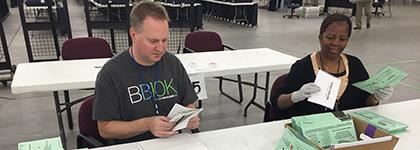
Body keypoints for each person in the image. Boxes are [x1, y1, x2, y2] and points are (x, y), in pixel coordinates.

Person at [93, 1, 200, 144]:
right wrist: (147, 124)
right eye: (153, 41)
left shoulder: (172, 63)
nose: (161, 48)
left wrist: (190, 116)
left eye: (164, 40)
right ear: (134, 34)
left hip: (172, 142)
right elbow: (105, 129)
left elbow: (189, 103)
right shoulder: (111, 73)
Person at [269, 14, 393, 120]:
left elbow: (365, 103)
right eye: (330, 37)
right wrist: (295, 96)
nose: (336, 43)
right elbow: (278, 103)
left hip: (347, 131)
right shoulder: (303, 67)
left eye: (342, 39)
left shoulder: (355, 65)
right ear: (320, 38)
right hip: (311, 132)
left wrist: (375, 97)